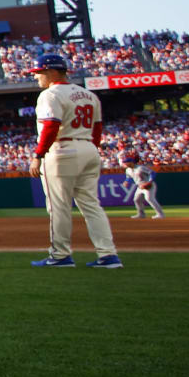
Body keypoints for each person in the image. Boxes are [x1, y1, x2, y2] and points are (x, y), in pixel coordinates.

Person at [28, 53, 120, 269]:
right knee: (92, 205)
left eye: (39, 72)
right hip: (88, 147)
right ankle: (108, 255)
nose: (36, 76)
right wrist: (90, 149)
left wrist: (38, 155)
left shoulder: (50, 94)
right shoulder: (88, 94)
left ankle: (60, 255)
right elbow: (97, 129)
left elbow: (51, 126)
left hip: (62, 149)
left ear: (52, 72)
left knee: (58, 206)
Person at [122, 153, 165, 221]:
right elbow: (128, 177)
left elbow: (152, 173)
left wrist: (149, 182)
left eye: (126, 162)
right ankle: (141, 214)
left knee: (149, 199)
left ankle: (160, 214)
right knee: (137, 200)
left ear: (131, 162)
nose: (125, 164)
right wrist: (126, 181)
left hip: (148, 185)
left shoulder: (140, 168)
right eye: (124, 162)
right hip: (140, 186)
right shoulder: (128, 170)